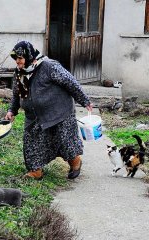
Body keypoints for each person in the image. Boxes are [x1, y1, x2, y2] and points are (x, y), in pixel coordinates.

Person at [5, 41, 92, 180]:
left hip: (59, 111)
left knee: (65, 141)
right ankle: (36, 171)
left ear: (29, 57)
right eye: (15, 59)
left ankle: (75, 162)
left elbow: (70, 82)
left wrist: (84, 100)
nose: (17, 62)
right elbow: (17, 94)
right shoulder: (20, 72)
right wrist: (12, 111)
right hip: (34, 116)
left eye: (20, 58)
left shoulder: (49, 66)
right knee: (31, 143)